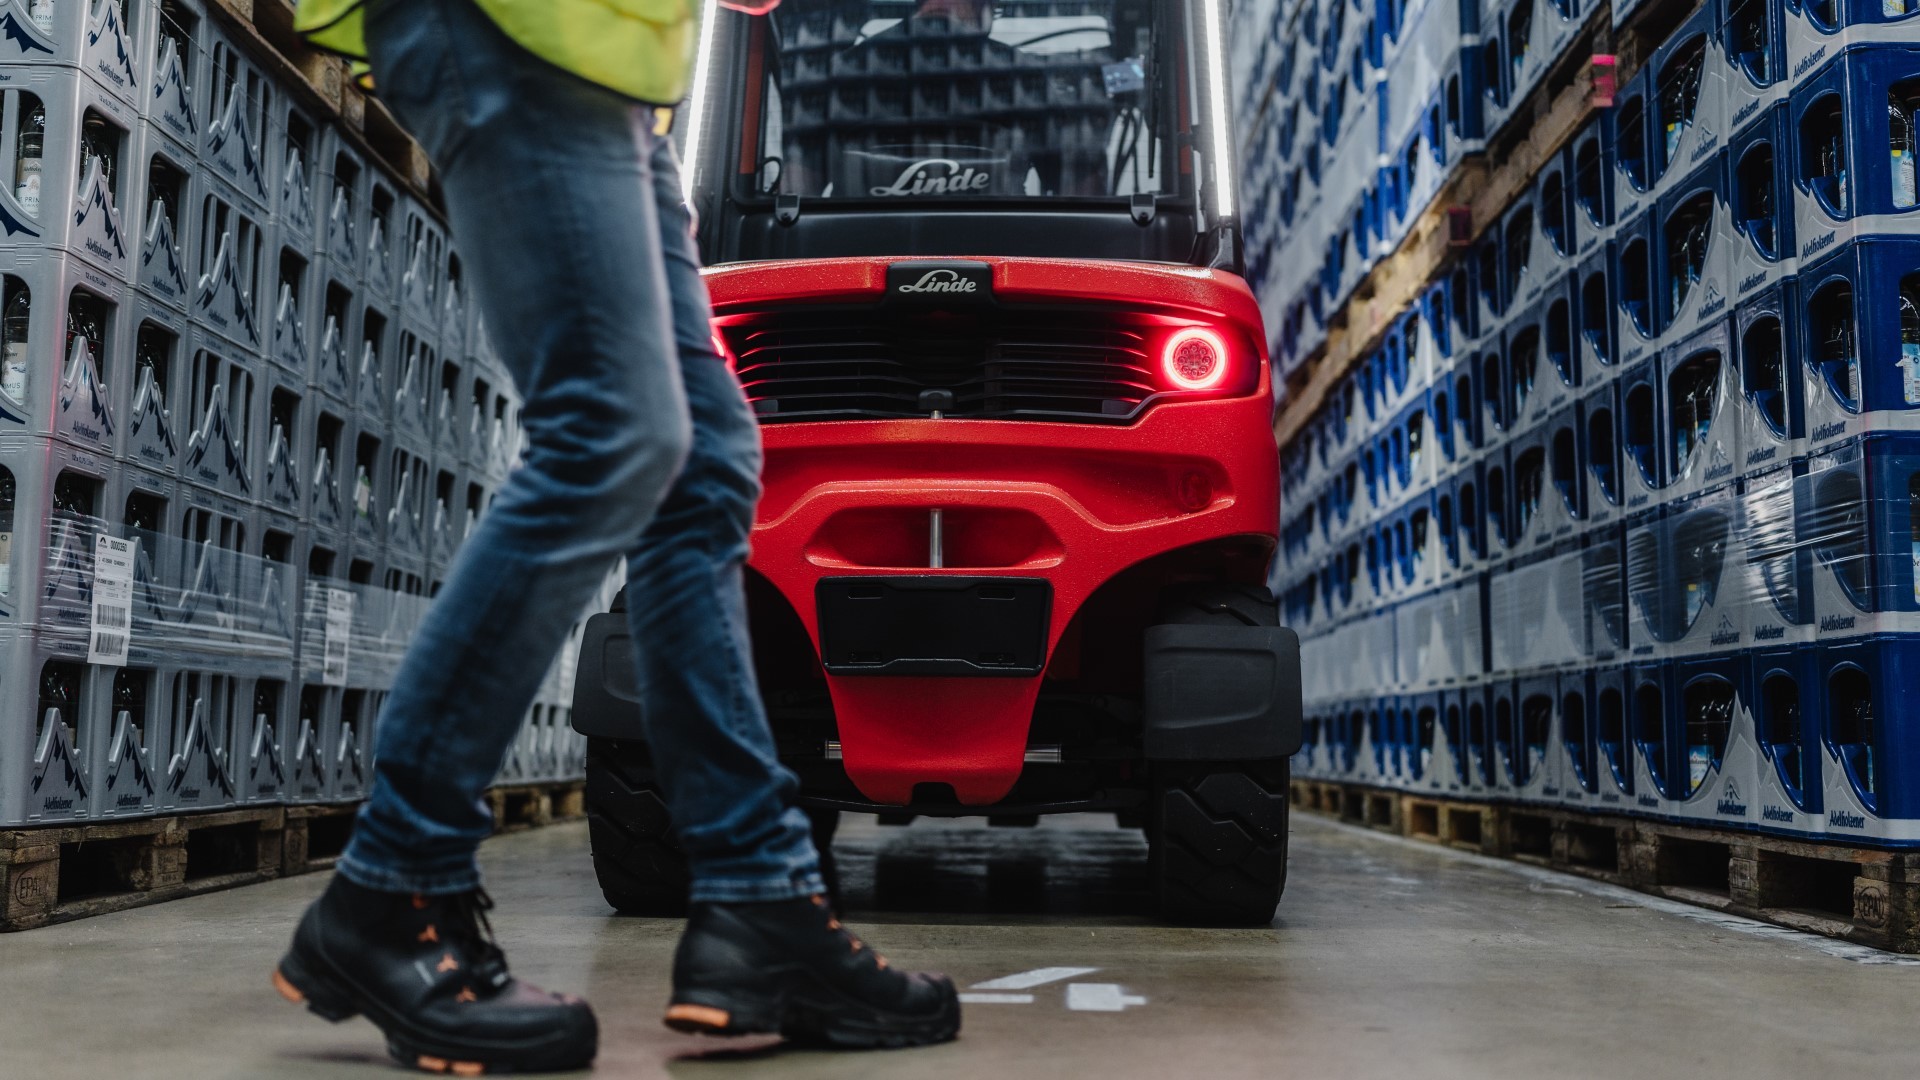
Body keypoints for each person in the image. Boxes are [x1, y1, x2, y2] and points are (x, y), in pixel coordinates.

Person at [277, 0, 962, 1072]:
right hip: (515, 27)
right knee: (612, 432)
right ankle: (391, 882)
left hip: (602, 60)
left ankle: (760, 904)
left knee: (702, 462)